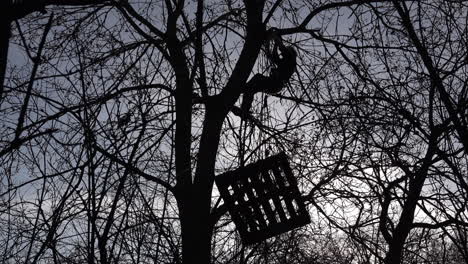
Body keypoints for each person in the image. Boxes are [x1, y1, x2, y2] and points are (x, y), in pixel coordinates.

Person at [241, 30, 297, 113]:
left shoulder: (291, 60)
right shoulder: (284, 62)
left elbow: (282, 49)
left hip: (275, 83)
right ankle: (244, 109)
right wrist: (274, 45)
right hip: (274, 85)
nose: (282, 53)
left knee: (258, 77)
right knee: (251, 89)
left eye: (285, 52)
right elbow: (275, 57)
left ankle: (243, 89)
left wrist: (275, 38)